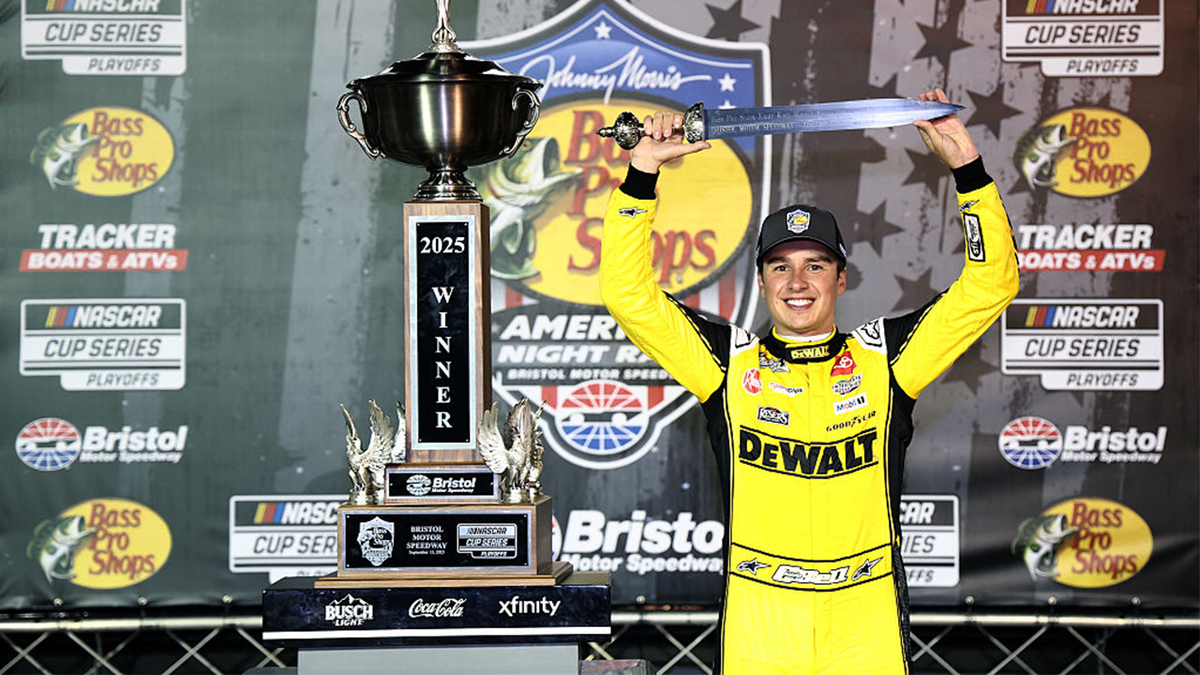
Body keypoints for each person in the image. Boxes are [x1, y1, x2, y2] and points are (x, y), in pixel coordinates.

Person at [599, 89, 1019, 674]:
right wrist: (642, 175)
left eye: (815, 265)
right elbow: (627, 295)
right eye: (781, 266)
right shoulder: (725, 362)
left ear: (841, 279)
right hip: (761, 615)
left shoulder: (889, 358)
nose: (798, 281)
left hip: (864, 615)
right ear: (764, 282)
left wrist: (967, 168)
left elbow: (990, 284)